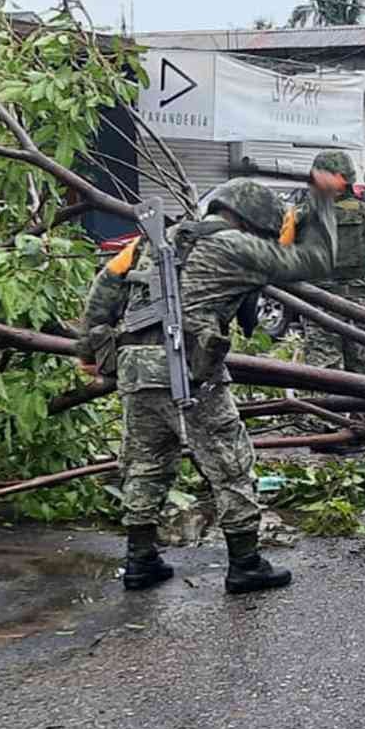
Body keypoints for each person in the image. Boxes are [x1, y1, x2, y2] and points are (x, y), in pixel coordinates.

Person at [76, 179, 331, 593]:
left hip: (135, 367)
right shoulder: (236, 246)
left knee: (146, 462)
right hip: (189, 369)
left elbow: (106, 283)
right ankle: (246, 564)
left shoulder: (154, 240)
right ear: (252, 221)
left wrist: (88, 349)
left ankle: (140, 560)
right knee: (230, 463)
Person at [279, 150, 365, 374]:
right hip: (358, 303)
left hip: (319, 302)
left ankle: (327, 409)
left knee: (324, 373)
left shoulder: (299, 214)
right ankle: (360, 410)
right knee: (361, 370)